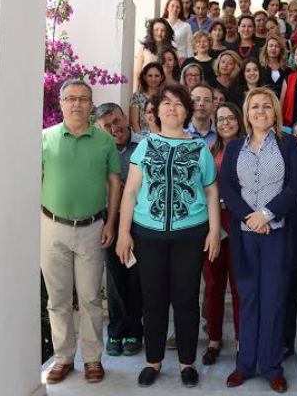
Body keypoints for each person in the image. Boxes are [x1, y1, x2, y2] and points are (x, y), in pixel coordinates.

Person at [117, 83, 221, 388]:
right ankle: (153, 360)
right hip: (148, 234)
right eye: (166, 103)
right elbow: (130, 192)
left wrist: (215, 231)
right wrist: (124, 232)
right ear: (157, 111)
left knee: (187, 298)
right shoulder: (145, 146)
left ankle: (187, 362)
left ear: (186, 111)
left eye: (178, 103)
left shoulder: (199, 148)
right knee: (153, 299)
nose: (172, 108)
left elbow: (211, 191)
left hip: (191, 234)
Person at [220, 87, 297, 394]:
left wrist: (266, 215)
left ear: (275, 112)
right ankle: (245, 364)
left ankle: (271, 366)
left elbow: (295, 186)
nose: (260, 111)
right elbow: (227, 187)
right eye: (254, 106)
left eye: (266, 106)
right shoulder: (234, 148)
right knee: (248, 298)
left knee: (273, 298)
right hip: (245, 235)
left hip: (277, 234)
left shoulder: (289, 144)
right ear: (246, 112)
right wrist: (250, 217)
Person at [41, 79, 122, 385]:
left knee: (90, 298)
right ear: (61, 103)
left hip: (92, 228)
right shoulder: (45, 138)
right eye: (70, 98)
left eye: (83, 99)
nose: (76, 103)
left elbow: (114, 182)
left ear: (91, 104)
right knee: (57, 298)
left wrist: (111, 223)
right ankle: (63, 358)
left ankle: (92, 359)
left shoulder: (104, 141)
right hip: (52, 227)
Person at [95, 103, 145, 358]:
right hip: (110, 220)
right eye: (107, 126)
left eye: (117, 121)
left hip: (140, 219)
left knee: (136, 277)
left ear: (126, 118)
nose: (114, 129)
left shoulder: (144, 144)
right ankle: (116, 331)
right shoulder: (99, 149)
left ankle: (134, 330)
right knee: (114, 277)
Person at [201, 102, 244, 367]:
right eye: (221, 119)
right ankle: (214, 340)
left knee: (239, 286)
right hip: (214, 224)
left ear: (239, 120)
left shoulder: (248, 149)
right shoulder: (209, 151)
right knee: (213, 284)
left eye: (230, 118)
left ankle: (241, 342)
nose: (226, 123)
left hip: (240, 223)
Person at [133, 18, 174, 92]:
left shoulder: (172, 51)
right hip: (146, 90)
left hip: (164, 90)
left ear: (167, 33)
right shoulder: (144, 49)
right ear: (151, 31)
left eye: (163, 30)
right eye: (156, 30)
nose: (159, 33)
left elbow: (175, 73)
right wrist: (135, 92)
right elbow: (137, 73)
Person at [130, 62, 166, 140]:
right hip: (143, 138)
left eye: (157, 76)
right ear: (144, 77)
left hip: (164, 137)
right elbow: (134, 122)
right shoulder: (137, 96)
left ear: (162, 77)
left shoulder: (166, 97)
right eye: (150, 76)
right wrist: (142, 140)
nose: (153, 79)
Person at [259, 34, 290, 99]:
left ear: (281, 50)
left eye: (277, 46)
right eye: (271, 46)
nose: (273, 48)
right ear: (266, 49)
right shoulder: (259, 68)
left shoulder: (287, 70)